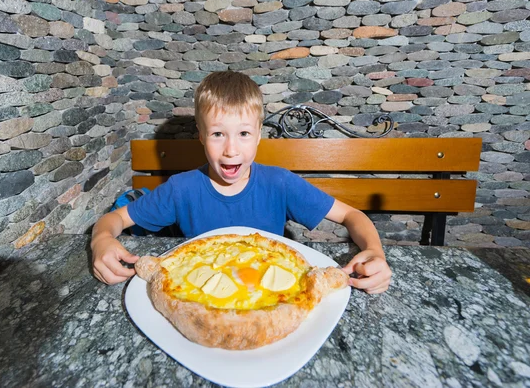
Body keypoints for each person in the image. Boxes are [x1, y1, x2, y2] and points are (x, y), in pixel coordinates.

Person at [91, 71, 392, 293]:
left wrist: (375, 251)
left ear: (259, 135)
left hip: (274, 293)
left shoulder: (279, 184)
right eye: (218, 133)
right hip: (198, 291)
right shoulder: (181, 190)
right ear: (201, 136)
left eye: (244, 134)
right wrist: (101, 240)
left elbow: (352, 216)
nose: (231, 149)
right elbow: (113, 220)